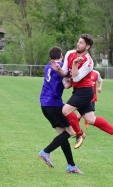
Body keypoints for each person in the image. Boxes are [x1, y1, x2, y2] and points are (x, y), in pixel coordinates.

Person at [50, 34, 113, 150]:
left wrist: (74, 64)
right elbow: (65, 73)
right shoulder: (70, 53)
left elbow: (76, 78)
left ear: (87, 46)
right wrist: (58, 70)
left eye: (81, 43)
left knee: (65, 110)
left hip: (85, 92)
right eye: (78, 42)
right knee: (90, 119)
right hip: (78, 91)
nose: (78, 44)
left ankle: (80, 134)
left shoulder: (88, 62)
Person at [38, 46, 83, 174]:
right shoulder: (61, 66)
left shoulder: (48, 66)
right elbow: (69, 81)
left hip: (44, 104)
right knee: (70, 131)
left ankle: (71, 166)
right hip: (54, 103)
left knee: (62, 135)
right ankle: (46, 152)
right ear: (61, 56)